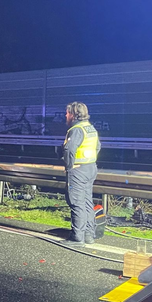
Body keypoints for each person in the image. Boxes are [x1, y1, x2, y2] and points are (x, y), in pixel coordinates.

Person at [62, 101, 100, 244]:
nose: (66, 115)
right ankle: (89, 235)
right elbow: (98, 147)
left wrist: (69, 165)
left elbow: (69, 149)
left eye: (67, 112)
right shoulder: (90, 128)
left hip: (78, 170)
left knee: (76, 202)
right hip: (90, 168)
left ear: (73, 114)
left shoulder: (76, 129)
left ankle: (77, 237)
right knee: (86, 202)